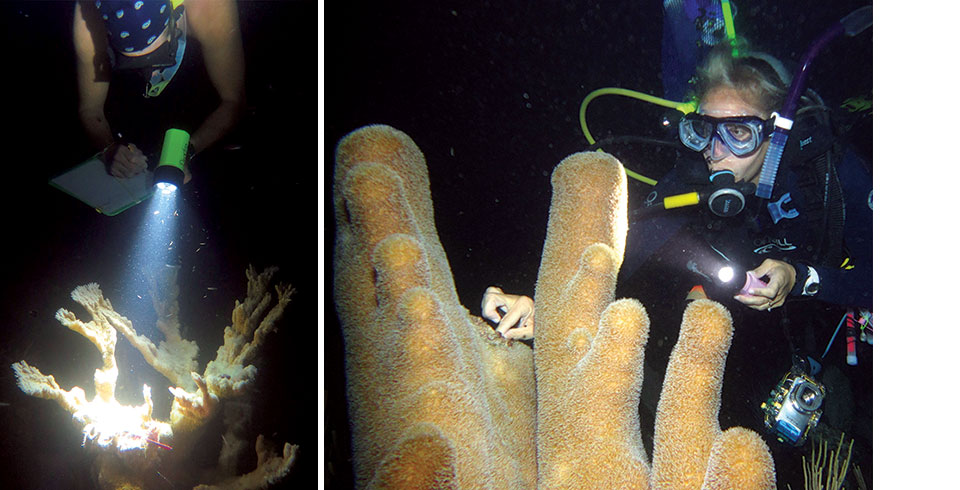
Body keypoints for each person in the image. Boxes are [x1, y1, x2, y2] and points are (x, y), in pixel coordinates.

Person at [483, 40, 872, 340]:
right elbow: (624, 248)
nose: (716, 153)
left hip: (830, 297)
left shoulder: (829, 172)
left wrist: (801, 277)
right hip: (734, 307)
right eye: (705, 131)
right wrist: (547, 305)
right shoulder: (692, 176)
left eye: (738, 133)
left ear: (775, 132)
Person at [73, 0, 245, 182]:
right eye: (135, 63)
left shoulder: (211, 7)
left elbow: (233, 101)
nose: (152, 73)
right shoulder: (89, 18)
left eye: (161, 54)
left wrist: (187, 151)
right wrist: (109, 149)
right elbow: (91, 109)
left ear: (174, 15)